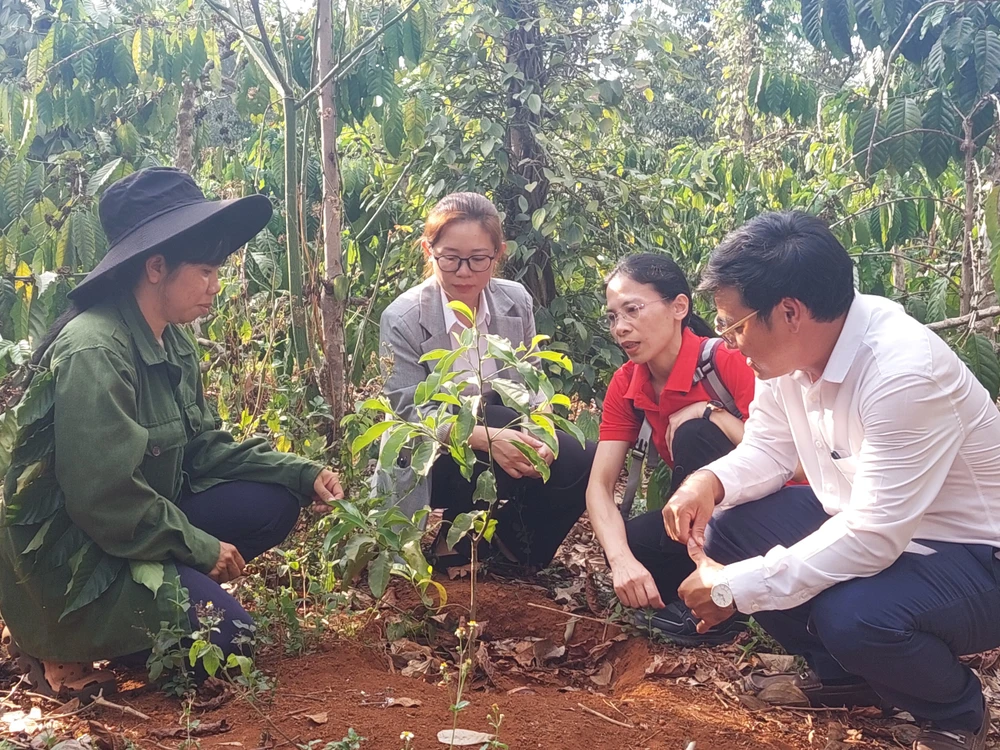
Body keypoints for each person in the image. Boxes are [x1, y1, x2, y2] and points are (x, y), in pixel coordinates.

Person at [0, 167, 344, 701]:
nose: (214, 287)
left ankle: (157, 615)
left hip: (133, 525)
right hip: (77, 554)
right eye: (204, 272)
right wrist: (200, 548)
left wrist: (302, 472)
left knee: (274, 503)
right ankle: (59, 643)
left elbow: (202, 447)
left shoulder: (171, 341)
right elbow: (103, 498)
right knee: (230, 642)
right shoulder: (96, 349)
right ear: (155, 266)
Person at [666, 211, 1000, 750]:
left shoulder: (902, 374)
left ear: (790, 312)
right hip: (880, 528)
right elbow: (770, 449)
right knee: (732, 528)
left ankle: (955, 712)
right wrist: (708, 481)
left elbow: (871, 537)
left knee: (852, 615)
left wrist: (734, 587)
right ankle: (845, 676)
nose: (729, 343)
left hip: (976, 555)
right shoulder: (790, 357)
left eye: (734, 325)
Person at [377, 192, 595, 571]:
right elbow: (408, 411)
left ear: (499, 254)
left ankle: (510, 549)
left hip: (502, 432)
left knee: (582, 456)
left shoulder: (515, 301)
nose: (464, 272)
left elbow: (531, 378)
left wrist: (541, 425)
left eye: (479, 259)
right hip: (432, 455)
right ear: (428, 251)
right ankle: (450, 543)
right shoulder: (403, 318)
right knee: (490, 417)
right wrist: (486, 438)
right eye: (450, 258)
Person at [586, 253, 756, 645]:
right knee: (634, 544)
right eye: (613, 316)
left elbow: (786, 459)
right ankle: (710, 600)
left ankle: (723, 606)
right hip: (701, 516)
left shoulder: (726, 360)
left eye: (633, 310)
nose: (621, 328)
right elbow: (599, 487)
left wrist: (710, 411)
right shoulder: (627, 383)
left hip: (764, 514)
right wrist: (622, 562)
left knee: (695, 434)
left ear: (679, 306)